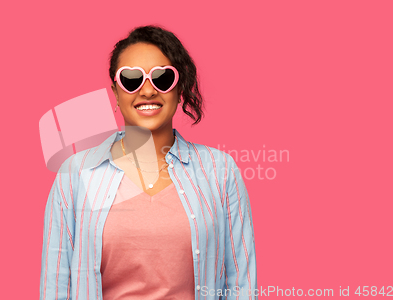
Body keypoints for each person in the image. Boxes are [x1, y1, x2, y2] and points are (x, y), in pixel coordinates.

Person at [40, 25, 257, 300]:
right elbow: (56, 285)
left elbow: (242, 282)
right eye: (131, 79)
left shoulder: (220, 171)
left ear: (179, 90)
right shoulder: (75, 175)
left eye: (162, 78)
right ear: (116, 93)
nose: (147, 91)